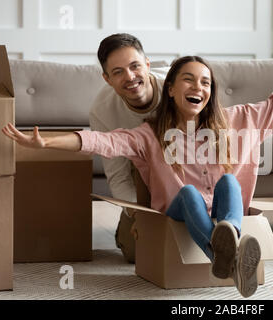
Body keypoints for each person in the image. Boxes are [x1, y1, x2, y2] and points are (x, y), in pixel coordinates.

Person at [2, 56, 273, 297]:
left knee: (227, 182)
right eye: (188, 80)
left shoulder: (241, 120)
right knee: (190, 194)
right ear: (171, 88)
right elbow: (102, 141)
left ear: (211, 92)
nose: (199, 87)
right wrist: (45, 142)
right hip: (180, 210)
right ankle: (231, 251)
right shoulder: (148, 134)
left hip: (224, 207)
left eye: (206, 82)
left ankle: (227, 246)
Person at [91, 33, 168, 263]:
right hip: (144, 178)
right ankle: (124, 231)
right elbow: (118, 177)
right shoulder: (102, 111)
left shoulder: (178, 88)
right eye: (118, 72)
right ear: (107, 79)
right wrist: (142, 217)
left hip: (186, 172)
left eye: (135, 66)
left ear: (147, 64)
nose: (130, 77)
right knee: (139, 252)